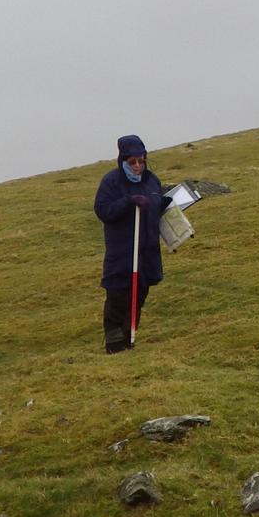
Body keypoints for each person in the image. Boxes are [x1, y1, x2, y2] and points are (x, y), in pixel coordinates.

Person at [93, 134, 169, 353]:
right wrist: (128, 202)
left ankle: (129, 337)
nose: (137, 166)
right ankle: (114, 343)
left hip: (147, 251)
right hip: (122, 251)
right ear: (122, 160)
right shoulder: (111, 182)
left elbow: (156, 205)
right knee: (118, 295)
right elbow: (103, 210)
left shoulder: (152, 180)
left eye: (141, 161)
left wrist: (163, 203)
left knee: (139, 294)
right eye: (132, 162)